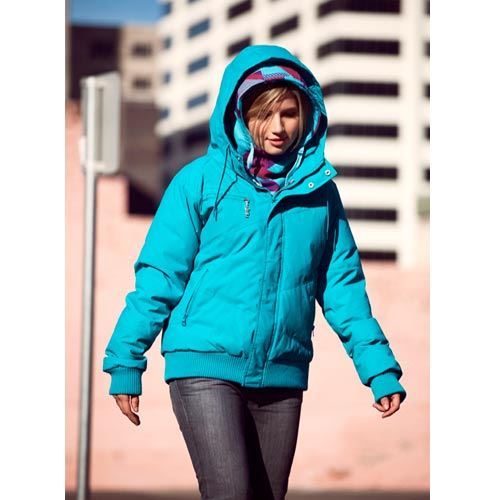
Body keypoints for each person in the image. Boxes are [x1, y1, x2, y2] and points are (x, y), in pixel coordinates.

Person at [103, 44, 407, 499]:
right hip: (203, 364)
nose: (278, 127)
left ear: (308, 115)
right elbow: (159, 277)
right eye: (264, 114)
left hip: (281, 372)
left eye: (289, 113)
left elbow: (342, 287)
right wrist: (126, 360)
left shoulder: (321, 195)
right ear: (241, 113)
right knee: (229, 492)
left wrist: (378, 367)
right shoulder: (200, 182)